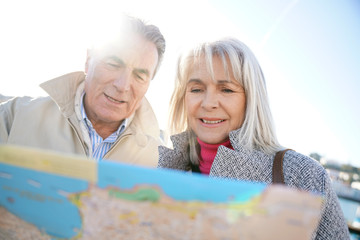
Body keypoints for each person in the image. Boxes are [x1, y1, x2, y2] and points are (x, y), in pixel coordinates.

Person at [158, 38, 349, 239]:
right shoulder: (160, 169)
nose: (209, 103)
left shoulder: (304, 176)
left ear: (251, 99)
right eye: (196, 89)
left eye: (227, 89)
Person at [0, 14, 166, 167]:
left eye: (140, 76)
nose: (122, 85)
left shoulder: (160, 161)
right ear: (88, 61)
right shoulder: (14, 118)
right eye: (113, 64)